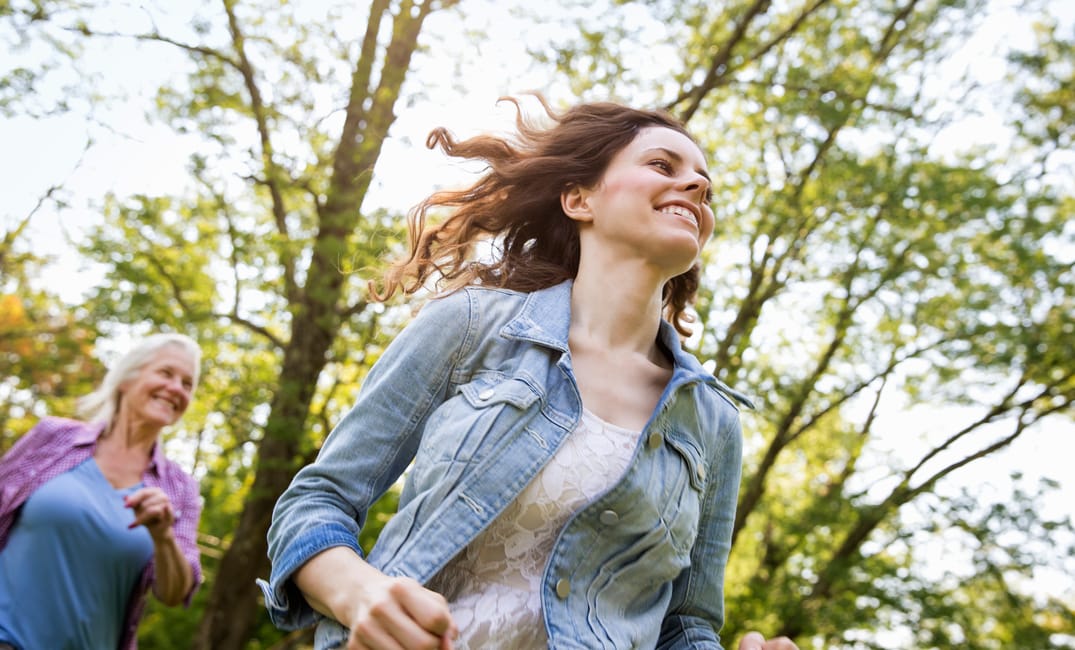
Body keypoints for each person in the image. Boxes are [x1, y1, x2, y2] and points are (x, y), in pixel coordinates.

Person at [259, 96, 797, 650]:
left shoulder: (712, 422)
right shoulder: (470, 328)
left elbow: (686, 624)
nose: (696, 188)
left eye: (705, 184)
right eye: (663, 166)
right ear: (579, 198)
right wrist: (362, 594)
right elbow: (316, 501)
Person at [0, 333, 204, 650]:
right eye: (166, 373)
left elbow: (174, 593)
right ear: (126, 379)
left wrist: (163, 537)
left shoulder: (179, 488)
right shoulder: (54, 438)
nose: (177, 388)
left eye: (187, 383)